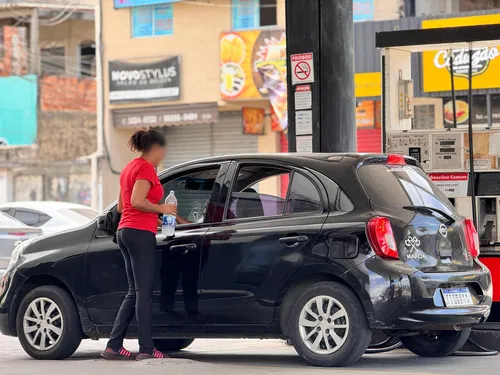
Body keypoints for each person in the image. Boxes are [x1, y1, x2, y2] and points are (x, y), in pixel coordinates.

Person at [101, 129, 176, 361]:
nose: (164, 154)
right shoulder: (145, 168)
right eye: (163, 149)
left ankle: (113, 346)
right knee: (144, 293)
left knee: (134, 292)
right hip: (140, 233)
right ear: (156, 148)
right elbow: (137, 201)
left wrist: (157, 216)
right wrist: (162, 209)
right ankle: (146, 349)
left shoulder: (128, 168)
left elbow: (124, 207)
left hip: (125, 230)